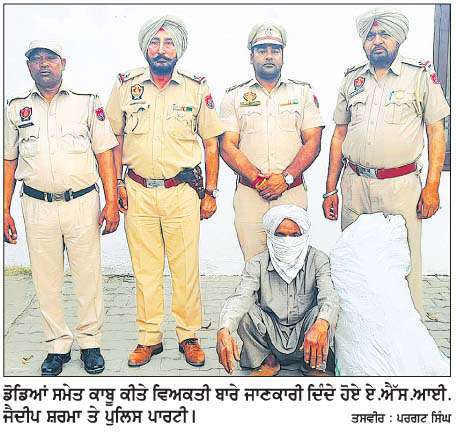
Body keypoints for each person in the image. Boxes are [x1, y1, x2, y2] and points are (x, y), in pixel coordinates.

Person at [106, 15, 225, 368]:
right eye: (155, 43)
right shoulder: (126, 86)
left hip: (181, 191)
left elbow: (211, 143)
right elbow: (114, 139)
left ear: (178, 49)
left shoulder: (195, 88)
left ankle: (189, 336)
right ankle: (149, 338)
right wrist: (116, 185)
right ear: (146, 48)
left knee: (185, 268)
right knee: (146, 269)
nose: (161, 49)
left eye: (169, 43)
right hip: (137, 190)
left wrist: (211, 192)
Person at [322, 8, 450, 318]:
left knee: (404, 264)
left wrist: (432, 186)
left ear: (398, 39)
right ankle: (356, 330)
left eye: (384, 34)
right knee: (354, 260)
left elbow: (436, 132)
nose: (377, 41)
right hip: (354, 185)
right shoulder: (352, 79)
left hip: (400, 187)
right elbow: (339, 135)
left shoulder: (419, 75)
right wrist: (330, 189)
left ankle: (409, 332)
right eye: (370, 36)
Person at [4, 40, 119, 376]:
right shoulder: (16, 108)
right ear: (28, 66)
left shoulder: (86, 102)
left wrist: (112, 202)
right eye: (36, 59)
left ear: (63, 63)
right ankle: (57, 346)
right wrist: (4, 210)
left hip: (82, 203)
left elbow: (105, 154)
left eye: (50, 58)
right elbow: (9, 161)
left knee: (88, 276)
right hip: (37, 204)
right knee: (46, 279)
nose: (44, 64)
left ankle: (90, 343)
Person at [220, 22, 324, 262]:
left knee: (290, 262)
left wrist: (285, 178)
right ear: (251, 56)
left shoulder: (302, 93)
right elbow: (227, 146)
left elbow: (313, 141)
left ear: (283, 55)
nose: (269, 56)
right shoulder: (234, 96)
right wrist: (257, 179)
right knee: (254, 264)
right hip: (250, 194)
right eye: (261, 50)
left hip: (291, 192)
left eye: (275, 50)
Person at [216, 205, 339, 376]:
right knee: (245, 311)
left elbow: (329, 296)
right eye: (280, 235)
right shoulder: (257, 264)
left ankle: (313, 364)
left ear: (304, 235)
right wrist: (224, 329)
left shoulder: (318, 259)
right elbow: (241, 297)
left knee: (325, 312)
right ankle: (267, 361)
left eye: (294, 235)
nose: (287, 241)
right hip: (270, 337)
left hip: (306, 334)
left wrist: (322, 323)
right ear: (270, 235)